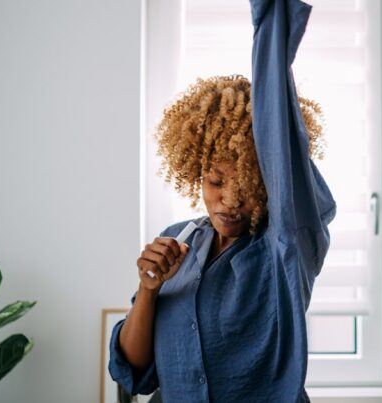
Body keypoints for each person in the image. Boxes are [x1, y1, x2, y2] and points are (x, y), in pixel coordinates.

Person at [108, 1, 335, 401]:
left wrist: (271, 32)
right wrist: (148, 288)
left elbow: (282, 145)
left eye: (248, 187)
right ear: (195, 170)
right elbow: (136, 370)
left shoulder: (285, 249)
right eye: (215, 182)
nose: (230, 201)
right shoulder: (177, 240)